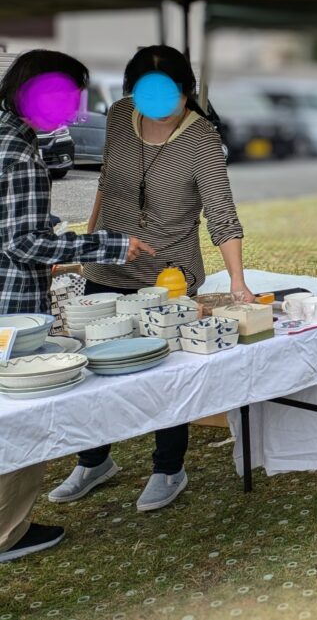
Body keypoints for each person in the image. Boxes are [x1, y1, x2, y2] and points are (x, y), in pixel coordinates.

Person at [49, 46, 247, 514]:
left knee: (165, 374)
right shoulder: (120, 116)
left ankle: (168, 467)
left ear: (186, 92)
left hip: (167, 275)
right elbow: (105, 184)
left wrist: (237, 283)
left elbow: (222, 214)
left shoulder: (201, 140)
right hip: (105, 263)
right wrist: (88, 242)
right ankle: (94, 459)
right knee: (91, 367)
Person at [0, 50, 153, 563]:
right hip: (10, 308)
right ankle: (7, 533)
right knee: (18, 421)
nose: (71, 111)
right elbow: (24, 244)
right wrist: (107, 246)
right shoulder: (19, 154)